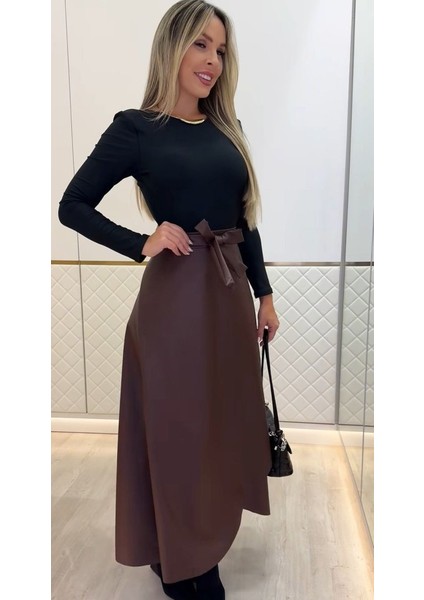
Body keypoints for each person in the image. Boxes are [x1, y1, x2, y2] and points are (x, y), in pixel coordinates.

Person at [58, 1, 280, 598]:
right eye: (200, 44)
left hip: (229, 298)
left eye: (221, 50)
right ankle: (185, 559)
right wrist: (142, 241)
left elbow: (245, 220)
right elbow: (72, 205)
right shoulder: (135, 128)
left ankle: (193, 542)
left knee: (221, 428)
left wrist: (264, 294)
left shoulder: (228, 129)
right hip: (174, 302)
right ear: (172, 46)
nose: (212, 61)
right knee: (178, 431)